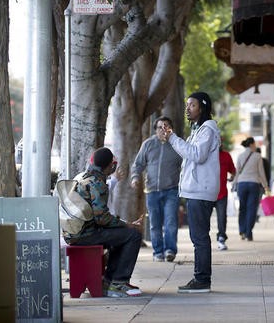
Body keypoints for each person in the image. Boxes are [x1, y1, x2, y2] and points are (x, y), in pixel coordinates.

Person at [62, 147, 143, 297]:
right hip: (85, 234)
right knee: (133, 235)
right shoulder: (97, 183)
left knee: (122, 235)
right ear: (109, 166)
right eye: (113, 164)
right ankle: (118, 282)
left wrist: (123, 224)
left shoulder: (83, 177)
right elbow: (102, 218)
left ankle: (109, 280)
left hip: (74, 233)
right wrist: (127, 224)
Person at [162, 91, 221, 293]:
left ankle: (202, 279)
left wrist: (173, 139)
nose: (188, 108)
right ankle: (200, 278)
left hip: (200, 191)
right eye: (187, 105)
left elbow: (197, 155)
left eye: (192, 105)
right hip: (196, 190)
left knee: (200, 238)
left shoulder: (207, 130)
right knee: (199, 237)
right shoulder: (198, 130)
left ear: (203, 107)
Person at [130, 116, 183, 262]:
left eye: (166, 127)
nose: (163, 130)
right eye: (160, 127)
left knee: (171, 222)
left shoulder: (176, 145)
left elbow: (185, 165)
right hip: (152, 191)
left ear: (171, 129)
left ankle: (170, 250)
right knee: (155, 223)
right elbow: (138, 164)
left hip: (172, 190)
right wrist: (135, 178)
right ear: (156, 130)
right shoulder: (148, 144)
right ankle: (158, 252)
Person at [235, 137, 270, 241]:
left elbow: (238, 172)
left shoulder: (240, 156)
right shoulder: (258, 156)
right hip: (254, 184)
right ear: (251, 145)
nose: (255, 146)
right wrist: (265, 185)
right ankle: (249, 233)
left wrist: (234, 183)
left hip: (241, 184)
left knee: (242, 208)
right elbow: (261, 172)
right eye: (254, 145)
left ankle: (242, 231)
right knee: (251, 209)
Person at [214, 142, 236, 250]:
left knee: (222, 217)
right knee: (203, 219)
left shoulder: (226, 156)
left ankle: (221, 238)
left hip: (222, 193)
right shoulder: (205, 155)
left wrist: (231, 178)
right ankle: (203, 241)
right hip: (206, 193)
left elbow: (233, 170)